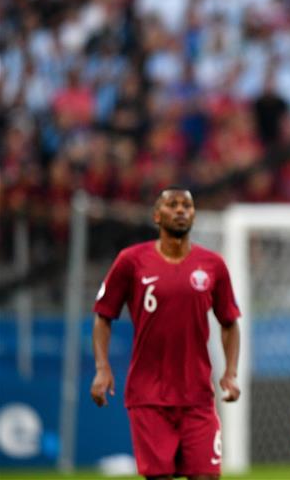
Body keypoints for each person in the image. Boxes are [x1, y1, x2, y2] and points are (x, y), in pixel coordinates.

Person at [90, 187, 241, 480]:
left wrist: (231, 372)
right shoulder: (131, 261)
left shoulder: (213, 265)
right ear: (157, 216)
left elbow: (229, 322)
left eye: (187, 205)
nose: (182, 210)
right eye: (173, 205)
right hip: (148, 395)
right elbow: (103, 316)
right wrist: (101, 367)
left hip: (197, 395)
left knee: (207, 475)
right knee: (159, 477)